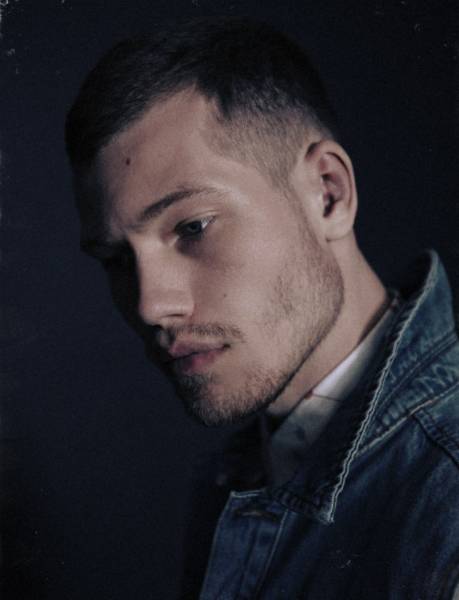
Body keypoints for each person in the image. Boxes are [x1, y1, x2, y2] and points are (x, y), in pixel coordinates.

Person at [65, 17, 459, 599]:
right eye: (118, 260)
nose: (150, 306)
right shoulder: (245, 470)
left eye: (193, 227)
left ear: (328, 193)